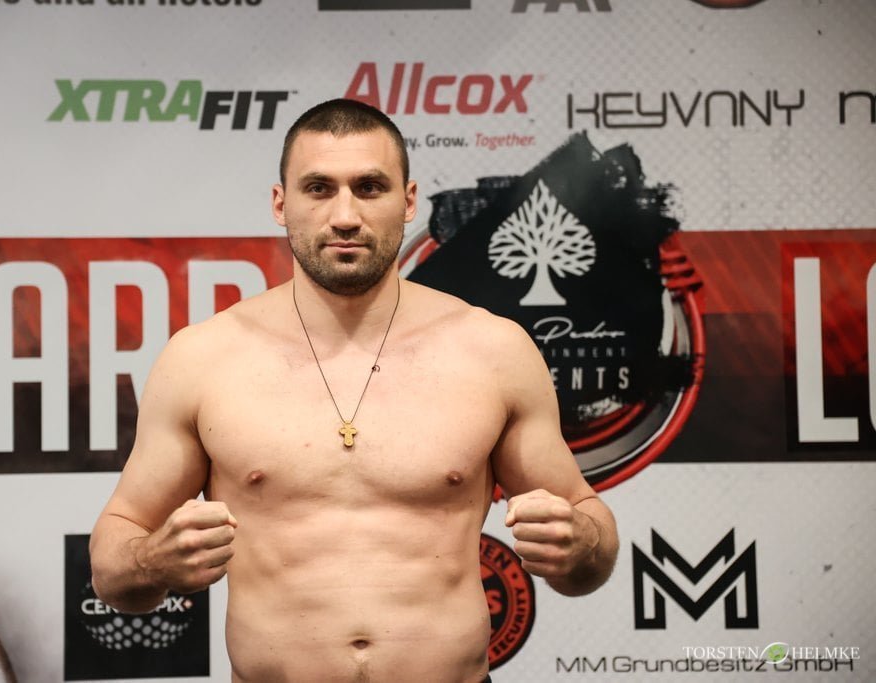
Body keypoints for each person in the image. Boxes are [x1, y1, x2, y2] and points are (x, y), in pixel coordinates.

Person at [90, 98, 618, 683]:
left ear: (409, 201)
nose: (345, 216)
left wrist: (582, 545)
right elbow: (113, 564)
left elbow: (588, 541)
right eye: (318, 188)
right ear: (280, 203)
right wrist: (152, 561)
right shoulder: (204, 358)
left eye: (369, 187)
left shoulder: (493, 351)